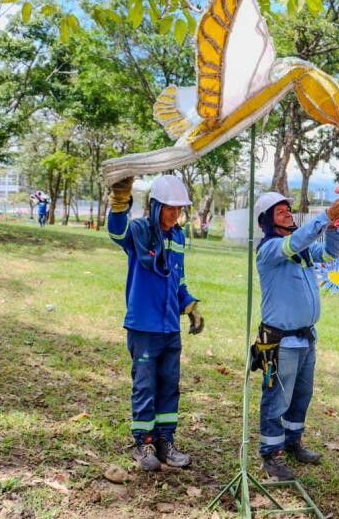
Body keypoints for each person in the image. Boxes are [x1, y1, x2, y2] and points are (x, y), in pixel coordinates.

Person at [251, 192, 339, 481]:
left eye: (288, 209)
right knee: (277, 399)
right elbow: (294, 242)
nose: (288, 213)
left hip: (306, 339)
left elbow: (331, 254)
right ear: (267, 221)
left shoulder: (303, 252)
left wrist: (334, 227)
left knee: (301, 396)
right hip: (281, 342)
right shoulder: (270, 250)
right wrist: (325, 216)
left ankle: (292, 441)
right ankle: (271, 453)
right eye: (280, 211)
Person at [107, 174, 205, 471]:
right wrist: (120, 201)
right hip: (144, 326)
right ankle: (143, 443)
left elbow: (178, 277)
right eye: (170, 208)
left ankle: (165, 441)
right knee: (145, 385)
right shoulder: (139, 230)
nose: (175, 214)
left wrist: (189, 305)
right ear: (155, 205)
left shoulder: (177, 236)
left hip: (169, 327)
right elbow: (117, 232)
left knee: (169, 385)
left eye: (180, 209)